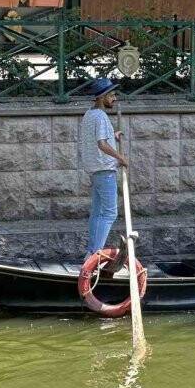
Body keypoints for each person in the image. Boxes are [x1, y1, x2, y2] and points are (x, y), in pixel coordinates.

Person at [79, 78, 128, 258]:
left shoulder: (89, 114)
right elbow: (101, 144)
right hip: (105, 170)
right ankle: (94, 253)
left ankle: (91, 252)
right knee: (109, 213)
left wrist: (113, 135)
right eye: (112, 95)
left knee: (98, 213)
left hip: (96, 170)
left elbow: (99, 138)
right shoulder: (100, 116)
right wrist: (120, 157)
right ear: (101, 97)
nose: (114, 98)